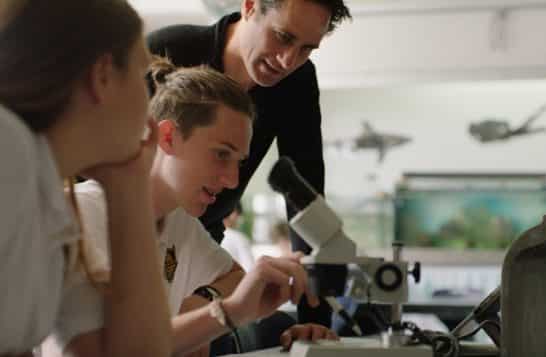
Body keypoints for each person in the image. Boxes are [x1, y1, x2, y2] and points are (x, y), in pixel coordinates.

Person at [42, 58, 337, 357]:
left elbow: (234, 276)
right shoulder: (80, 214)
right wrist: (221, 315)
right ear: (167, 136)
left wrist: (199, 306)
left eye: (239, 162)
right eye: (221, 154)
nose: (233, 180)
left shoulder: (177, 222)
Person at [147, 0, 352, 326]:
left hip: (201, 246)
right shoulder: (168, 49)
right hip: (131, 230)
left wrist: (312, 319)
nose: (289, 60)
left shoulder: (296, 82)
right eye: (283, 36)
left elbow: (305, 192)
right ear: (250, 6)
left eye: (306, 49)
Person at [0, 1, 171, 355]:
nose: (149, 102)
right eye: (143, 76)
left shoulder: (51, 202)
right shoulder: (9, 147)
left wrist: (130, 185)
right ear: (103, 76)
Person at [220, 202, 256, 270]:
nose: (238, 219)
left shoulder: (206, 235)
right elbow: (250, 269)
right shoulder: (239, 238)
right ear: (233, 212)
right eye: (238, 214)